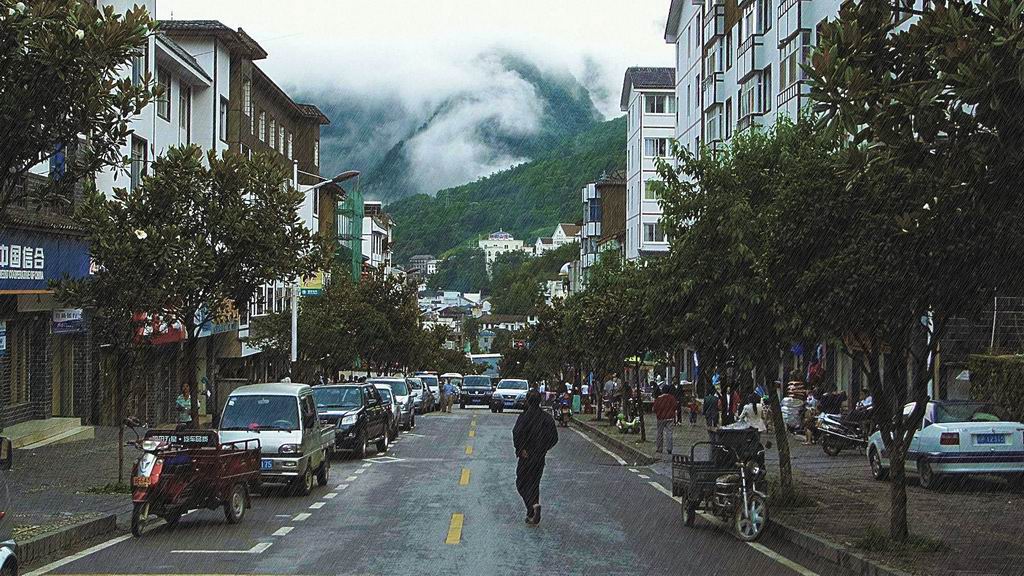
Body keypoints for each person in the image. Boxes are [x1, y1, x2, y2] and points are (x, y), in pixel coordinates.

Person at [513, 391, 558, 525]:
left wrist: (521, 449)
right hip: (539, 456)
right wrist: (544, 448)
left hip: (526, 456)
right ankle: (532, 511)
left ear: (527, 400)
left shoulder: (524, 417)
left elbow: (516, 433)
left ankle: (532, 506)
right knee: (534, 483)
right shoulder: (547, 418)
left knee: (521, 483)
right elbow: (554, 438)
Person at [653, 387, 678, 455]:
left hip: (660, 418)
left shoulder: (658, 399)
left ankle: (659, 448)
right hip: (670, 418)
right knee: (669, 433)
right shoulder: (672, 398)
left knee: (659, 433)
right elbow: (675, 406)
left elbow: (654, 408)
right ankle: (669, 449)